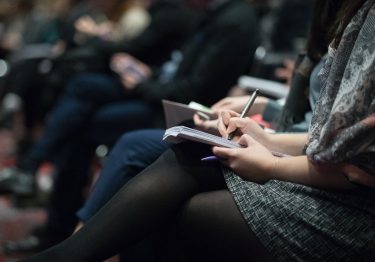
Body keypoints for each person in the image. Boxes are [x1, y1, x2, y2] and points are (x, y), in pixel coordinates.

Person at [19, 0, 375, 261]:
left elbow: (352, 164)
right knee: (176, 148)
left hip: (353, 209)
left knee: (162, 195)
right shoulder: (348, 15)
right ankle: (63, 242)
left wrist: (271, 161)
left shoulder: (235, 19)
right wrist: (266, 137)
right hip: (316, 165)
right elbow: (327, 136)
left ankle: (63, 242)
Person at [1, 0, 260, 255]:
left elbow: (191, 89)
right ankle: (62, 230)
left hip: (181, 112)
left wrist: (141, 84)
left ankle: (68, 236)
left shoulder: (229, 20)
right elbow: (175, 69)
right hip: (162, 95)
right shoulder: (208, 14)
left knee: (99, 128)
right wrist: (146, 74)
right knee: (82, 92)